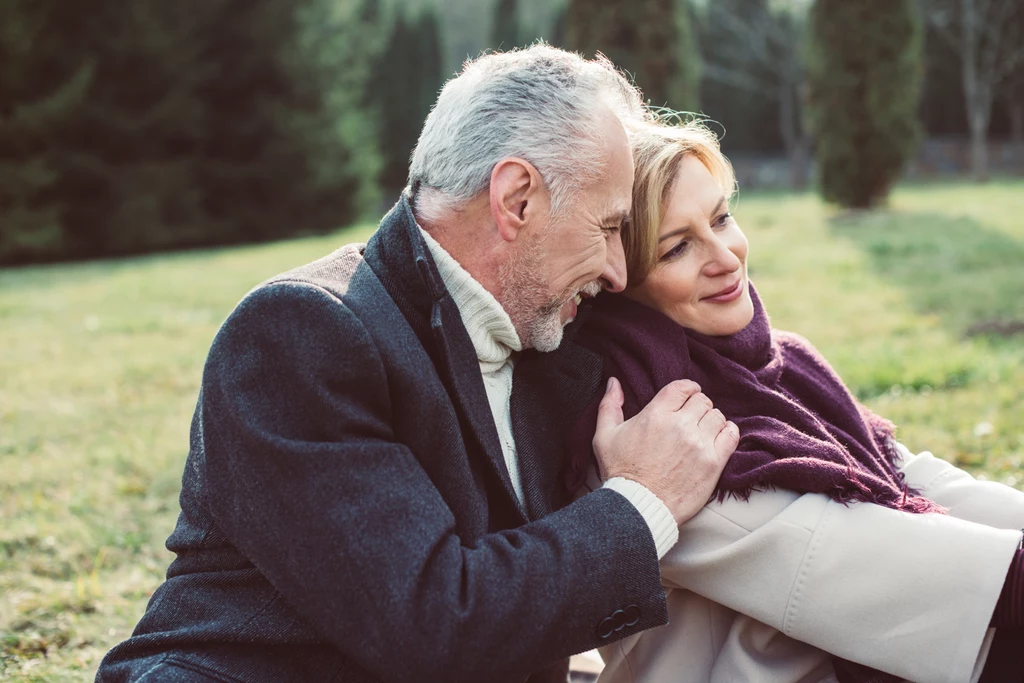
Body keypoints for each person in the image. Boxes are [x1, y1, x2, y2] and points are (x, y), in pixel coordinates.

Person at [95, 46, 740, 683]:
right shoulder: (301, 335)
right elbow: (432, 624)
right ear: (516, 199)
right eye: (606, 229)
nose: (616, 269)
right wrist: (641, 503)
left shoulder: (551, 330)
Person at [560, 119, 1024, 683]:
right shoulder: (656, 430)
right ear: (619, 282)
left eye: (721, 218)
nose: (726, 257)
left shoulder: (775, 366)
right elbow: (859, 559)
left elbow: (911, 479)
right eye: (677, 247)